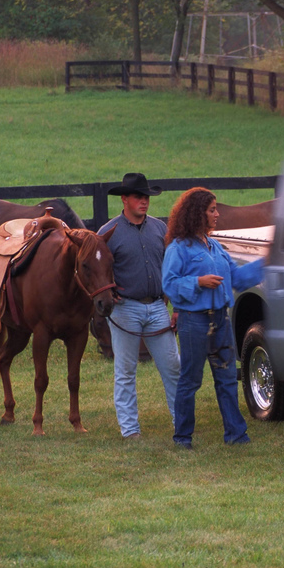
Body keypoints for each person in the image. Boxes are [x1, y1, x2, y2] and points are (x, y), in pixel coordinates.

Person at [162, 187, 265, 449]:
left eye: (216, 208)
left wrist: (267, 262)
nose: (217, 214)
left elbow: (238, 279)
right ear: (198, 214)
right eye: (212, 210)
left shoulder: (216, 247)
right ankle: (182, 438)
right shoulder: (179, 249)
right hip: (193, 322)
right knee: (191, 380)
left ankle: (236, 435)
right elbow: (170, 285)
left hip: (221, 320)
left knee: (227, 378)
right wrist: (198, 282)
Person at [98, 172, 181, 439]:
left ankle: (182, 423)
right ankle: (130, 429)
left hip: (158, 307)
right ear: (124, 199)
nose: (144, 202)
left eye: (146, 197)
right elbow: (96, 268)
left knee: (173, 367)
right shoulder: (108, 233)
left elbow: (172, 267)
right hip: (125, 308)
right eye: (138, 197)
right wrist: (110, 291)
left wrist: (175, 305)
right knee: (125, 370)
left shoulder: (160, 228)